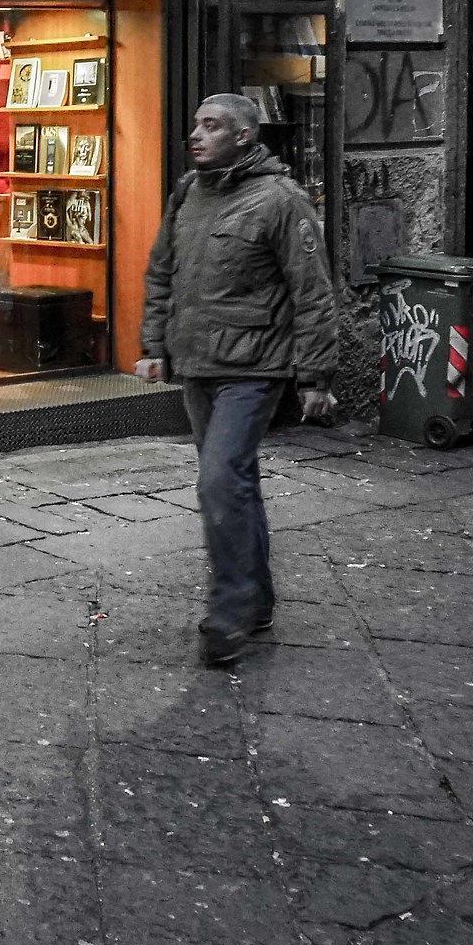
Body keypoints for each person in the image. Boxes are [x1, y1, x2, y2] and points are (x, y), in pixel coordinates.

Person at [137, 93, 340, 668]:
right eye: (195, 124)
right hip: (198, 362)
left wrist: (315, 375)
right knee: (234, 483)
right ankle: (256, 600)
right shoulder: (188, 193)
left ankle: (228, 614)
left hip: (254, 366)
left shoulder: (281, 200)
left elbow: (313, 291)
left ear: (245, 136)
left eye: (212, 126)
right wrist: (154, 345)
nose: (195, 135)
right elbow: (162, 270)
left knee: (219, 481)